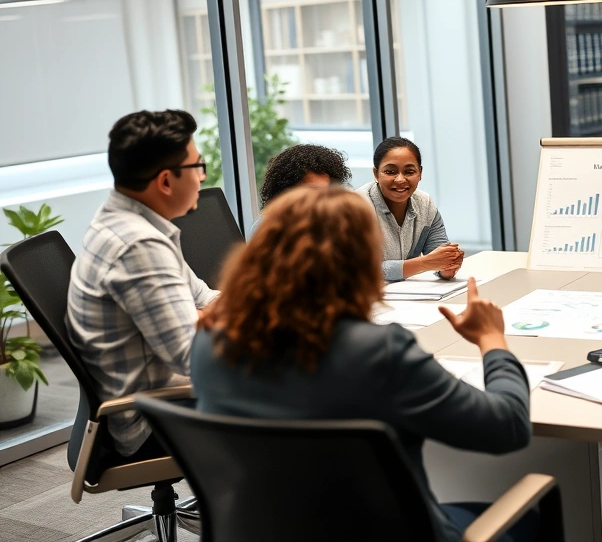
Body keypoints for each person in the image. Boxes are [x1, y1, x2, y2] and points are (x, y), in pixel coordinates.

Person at [190, 186, 536, 542]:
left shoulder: (208, 343)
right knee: (530, 517)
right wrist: (491, 339)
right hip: (383, 531)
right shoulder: (378, 352)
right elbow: (507, 427)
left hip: (263, 529)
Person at [66, 109, 219, 457]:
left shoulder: (131, 223)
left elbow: (204, 299)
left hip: (169, 391)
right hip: (157, 418)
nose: (203, 177)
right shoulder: (138, 246)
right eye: (198, 167)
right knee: (307, 390)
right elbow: (191, 356)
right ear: (166, 181)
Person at [357, 136, 463, 281]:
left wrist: (448, 266)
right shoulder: (356, 206)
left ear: (420, 173)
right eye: (390, 172)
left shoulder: (424, 204)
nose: (400, 179)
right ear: (376, 174)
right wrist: (425, 263)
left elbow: (439, 255)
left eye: (409, 172)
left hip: (406, 296)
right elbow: (364, 269)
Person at [250, 143, 352, 234]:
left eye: (327, 191)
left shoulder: (337, 225)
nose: (320, 198)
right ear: (284, 192)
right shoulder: (266, 227)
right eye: (311, 191)